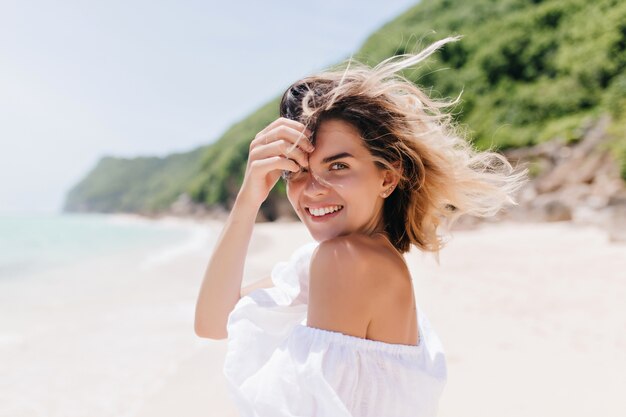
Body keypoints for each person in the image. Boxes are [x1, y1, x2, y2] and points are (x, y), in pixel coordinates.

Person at [194, 35, 528, 417]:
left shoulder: (348, 260)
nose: (312, 189)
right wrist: (248, 198)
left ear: (387, 177)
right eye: (295, 171)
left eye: (338, 166)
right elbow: (214, 321)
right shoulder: (342, 259)